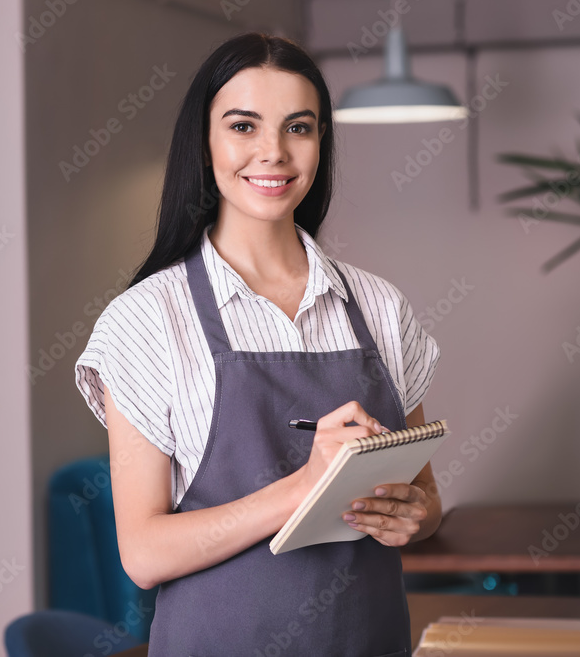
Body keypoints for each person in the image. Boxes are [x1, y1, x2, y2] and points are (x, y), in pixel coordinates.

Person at [74, 32, 442, 657]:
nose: (272, 152)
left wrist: (416, 516)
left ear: (320, 143)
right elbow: (142, 553)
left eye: (298, 128)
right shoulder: (144, 321)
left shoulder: (380, 308)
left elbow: (427, 499)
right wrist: (303, 488)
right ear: (204, 140)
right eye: (243, 126)